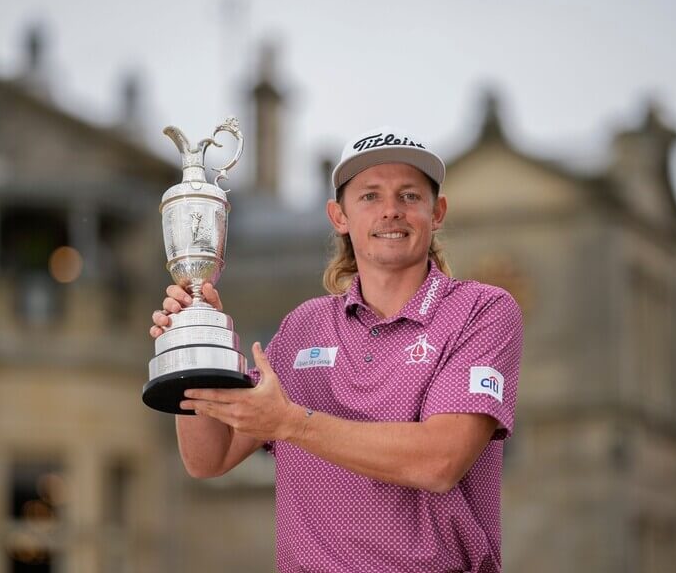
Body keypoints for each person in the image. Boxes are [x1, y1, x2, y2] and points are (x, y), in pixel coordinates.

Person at [150, 126, 524, 573]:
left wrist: (292, 423)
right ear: (339, 216)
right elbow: (208, 458)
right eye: (370, 196)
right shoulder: (303, 327)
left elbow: (439, 461)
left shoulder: (480, 310)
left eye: (409, 196)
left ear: (437, 211)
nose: (391, 211)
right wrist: (198, 347)